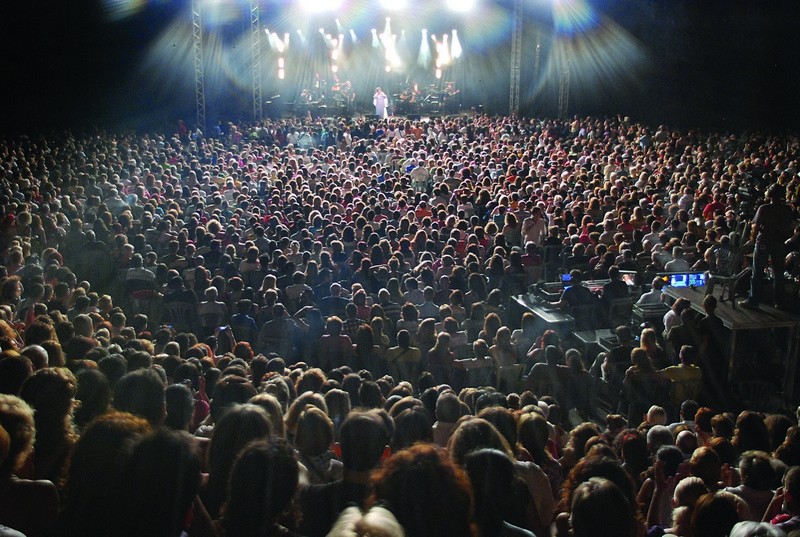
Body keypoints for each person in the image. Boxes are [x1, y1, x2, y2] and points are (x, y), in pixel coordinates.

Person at [744, 183, 796, 309]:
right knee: (778, 273)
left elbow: (755, 226)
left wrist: (752, 239)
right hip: (779, 243)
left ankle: (754, 300)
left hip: (764, 242)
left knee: (757, 272)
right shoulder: (787, 209)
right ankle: (779, 301)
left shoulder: (764, 208)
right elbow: (790, 226)